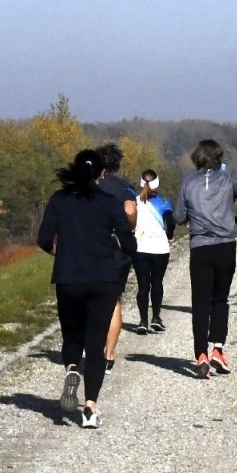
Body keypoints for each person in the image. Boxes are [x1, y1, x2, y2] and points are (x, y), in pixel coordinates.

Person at [36, 149, 136, 429]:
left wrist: (62, 254)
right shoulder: (108, 202)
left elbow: (44, 238)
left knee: (71, 336)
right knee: (95, 346)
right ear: (102, 173)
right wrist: (121, 248)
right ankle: (90, 408)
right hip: (103, 279)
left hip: (68, 278)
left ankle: (71, 370)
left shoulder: (59, 200)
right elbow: (129, 242)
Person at [173, 139, 237, 378]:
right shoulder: (231, 178)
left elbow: (178, 216)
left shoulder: (188, 181)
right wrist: (236, 222)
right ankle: (218, 349)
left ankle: (201, 355)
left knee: (200, 302)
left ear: (197, 158)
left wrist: (190, 216)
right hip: (226, 244)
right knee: (221, 299)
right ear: (219, 157)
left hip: (200, 245)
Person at [96, 144, 139, 371]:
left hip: (92, 247)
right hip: (117, 250)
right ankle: (109, 355)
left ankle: (90, 347)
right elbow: (131, 211)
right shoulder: (125, 187)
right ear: (117, 164)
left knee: (91, 297)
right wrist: (127, 227)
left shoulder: (89, 186)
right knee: (114, 301)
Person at [132, 169, 175, 334]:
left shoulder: (134, 201)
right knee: (157, 282)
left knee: (143, 285)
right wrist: (169, 235)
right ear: (157, 182)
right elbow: (170, 221)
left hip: (140, 248)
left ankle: (142, 321)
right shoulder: (164, 201)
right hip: (160, 248)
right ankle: (156, 317)